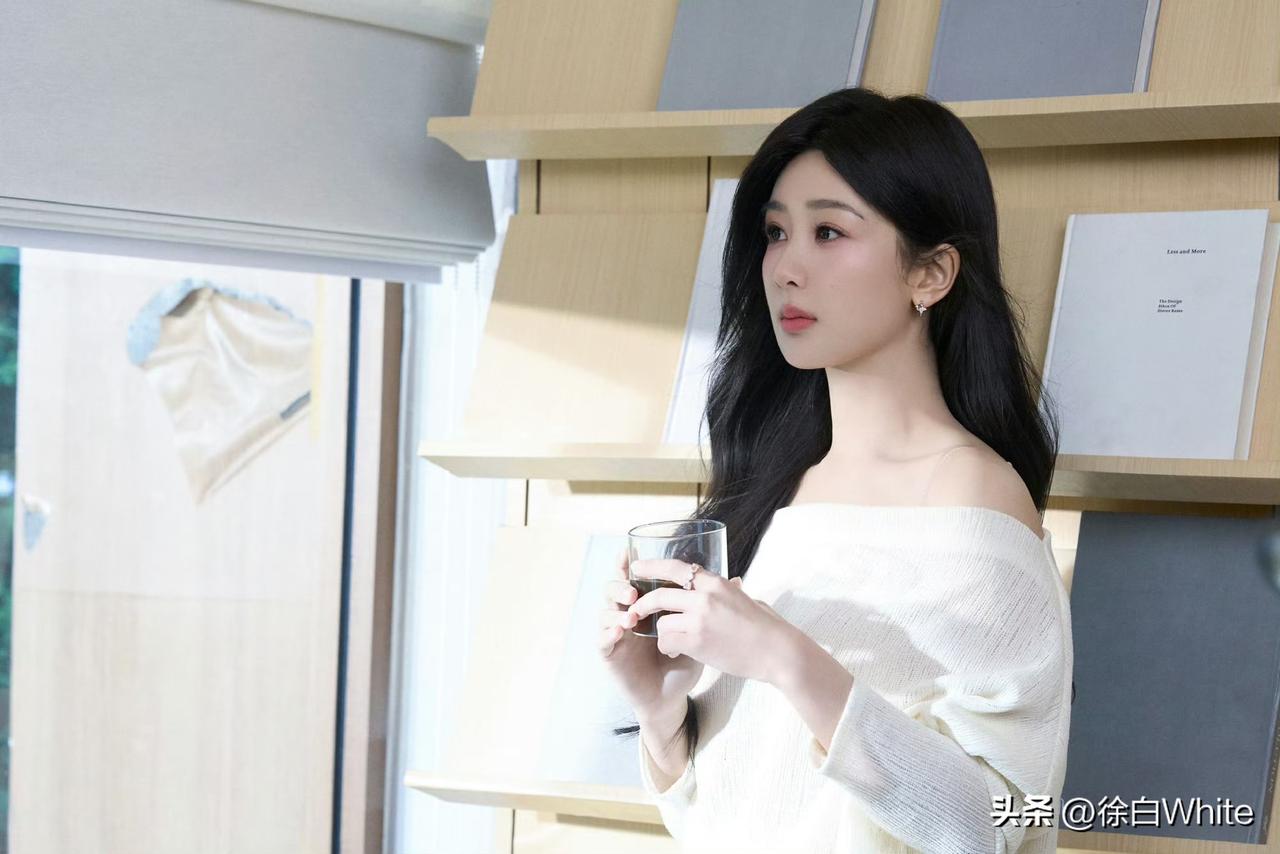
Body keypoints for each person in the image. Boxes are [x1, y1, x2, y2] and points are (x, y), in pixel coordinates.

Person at [598, 86, 1071, 853]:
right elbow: (721, 819)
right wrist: (661, 711)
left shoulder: (971, 496)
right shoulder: (778, 488)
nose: (786, 267)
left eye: (828, 231)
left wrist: (784, 658)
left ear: (931, 274)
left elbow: (996, 824)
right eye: (775, 232)